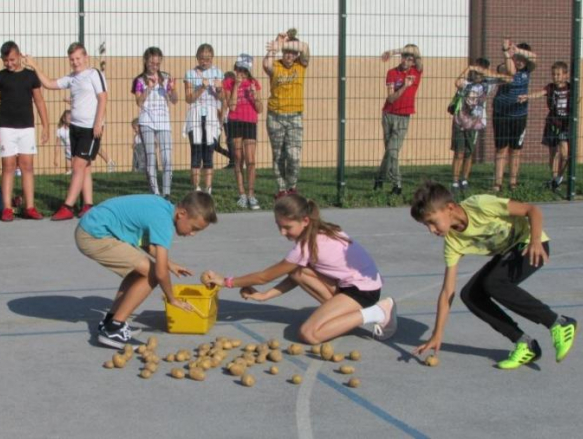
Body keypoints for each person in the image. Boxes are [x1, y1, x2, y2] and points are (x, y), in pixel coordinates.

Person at [410, 181, 577, 369]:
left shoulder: (480, 205)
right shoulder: (452, 242)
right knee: (470, 295)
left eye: (432, 222)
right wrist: (437, 334)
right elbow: (448, 291)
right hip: (508, 254)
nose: (431, 230)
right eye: (426, 225)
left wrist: (536, 240)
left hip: (530, 244)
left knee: (494, 283)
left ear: (449, 208)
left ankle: (559, 323)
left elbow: (532, 210)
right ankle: (524, 343)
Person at [201, 194, 398, 344]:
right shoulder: (320, 230)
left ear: (305, 221)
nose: (282, 232)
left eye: (287, 227)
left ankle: (377, 312)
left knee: (309, 334)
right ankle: (344, 317)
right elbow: (295, 275)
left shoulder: (304, 247)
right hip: (356, 285)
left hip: (363, 291)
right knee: (297, 271)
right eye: (279, 226)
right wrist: (265, 296)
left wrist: (226, 281)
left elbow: (264, 276)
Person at [76, 191, 217, 348]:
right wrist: (172, 299)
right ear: (182, 214)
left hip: (92, 227)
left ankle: (111, 321)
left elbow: (144, 242)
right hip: (94, 235)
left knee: (139, 272)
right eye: (194, 228)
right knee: (152, 274)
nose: (192, 234)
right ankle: (114, 329)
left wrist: (169, 263)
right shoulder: (163, 221)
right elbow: (160, 272)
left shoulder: (163, 208)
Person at [24, 42, 107, 221]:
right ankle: (88, 205)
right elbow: (49, 84)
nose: (75, 62)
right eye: (72, 59)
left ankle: (68, 206)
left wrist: (98, 122)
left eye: (78, 58)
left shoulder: (94, 74)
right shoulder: (71, 78)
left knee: (77, 165)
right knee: (84, 167)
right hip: (75, 127)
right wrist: (34, 65)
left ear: (86, 58)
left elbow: (102, 97)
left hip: (90, 128)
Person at [0, 41, 49, 222]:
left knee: (27, 166)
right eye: (5, 60)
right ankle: (7, 208)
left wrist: (45, 125)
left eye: (12, 59)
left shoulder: (30, 76)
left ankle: (29, 207)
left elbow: (39, 101)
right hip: (6, 127)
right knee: (8, 166)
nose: (9, 63)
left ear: (20, 56)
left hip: (26, 127)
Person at [449, 58, 511, 193]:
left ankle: (464, 179)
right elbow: (457, 82)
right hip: (460, 122)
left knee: (469, 153)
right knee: (459, 153)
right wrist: (469, 68)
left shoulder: (487, 85)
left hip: (474, 124)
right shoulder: (466, 83)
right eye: (475, 72)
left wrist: (486, 72)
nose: (477, 75)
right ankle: (454, 181)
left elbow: (508, 78)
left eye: (480, 72)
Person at [263, 29, 310, 199]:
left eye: (292, 53)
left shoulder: (301, 64)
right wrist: (275, 45)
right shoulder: (276, 65)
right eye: (286, 53)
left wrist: (283, 43)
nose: (289, 56)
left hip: (294, 116)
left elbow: (305, 47)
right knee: (278, 155)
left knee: (294, 155)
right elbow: (266, 64)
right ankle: (282, 190)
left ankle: (292, 186)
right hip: (275, 115)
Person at [374, 44, 423, 195]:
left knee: (393, 151)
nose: (405, 60)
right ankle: (380, 180)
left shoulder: (416, 71)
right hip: (389, 114)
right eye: (403, 57)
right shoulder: (392, 73)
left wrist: (393, 51)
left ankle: (397, 185)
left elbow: (418, 55)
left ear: (414, 61)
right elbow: (391, 98)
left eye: (409, 58)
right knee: (390, 150)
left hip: (404, 116)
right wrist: (404, 87)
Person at [132, 47, 178, 199]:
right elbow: (139, 102)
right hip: (147, 121)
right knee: (151, 156)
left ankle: (166, 192)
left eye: (157, 63)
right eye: (152, 63)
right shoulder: (139, 80)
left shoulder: (165, 77)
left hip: (163, 121)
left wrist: (171, 90)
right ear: (146, 61)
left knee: (167, 158)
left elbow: (175, 100)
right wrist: (149, 89)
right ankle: (155, 193)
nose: (155, 66)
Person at [492, 40, 537, 192]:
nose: (520, 62)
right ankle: (498, 183)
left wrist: (517, 49)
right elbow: (510, 71)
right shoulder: (504, 65)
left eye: (523, 59)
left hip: (519, 115)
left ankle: (513, 182)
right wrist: (507, 53)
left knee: (516, 149)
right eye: (518, 58)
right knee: (501, 149)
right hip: (501, 114)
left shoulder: (527, 71)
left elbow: (534, 57)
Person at [518, 61, 570, 190]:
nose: (556, 77)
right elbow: (539, 93)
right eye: (554, 74)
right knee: (553, 153)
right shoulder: (550, 87)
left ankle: (559, 178)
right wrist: (527, 96)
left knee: (565, 155)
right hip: (552, 123)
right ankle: (553, 179)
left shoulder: (571, 87)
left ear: (565, 75)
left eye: (558, 74)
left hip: (565, 125)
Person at [183, 43, 223, 194]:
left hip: (211, 115)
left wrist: (219, 89)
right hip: (196, 114)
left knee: (209, 151)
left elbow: (222, 97)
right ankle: (196, 187)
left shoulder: (218, 73)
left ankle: (208, 187)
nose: (204, 62)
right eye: (201, 58)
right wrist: (202, 88)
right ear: (197, 58)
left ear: (212, 58)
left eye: (207, 59)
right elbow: (188, 98)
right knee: (196, 150)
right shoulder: (190, 74)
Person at [224, 54, 263, 210]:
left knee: (250, 159)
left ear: (248, 72)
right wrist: (236, 86)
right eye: (239, 69)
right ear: (235, 69)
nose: (241, 73)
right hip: (235, 121)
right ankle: (242, 194)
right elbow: (232, 107)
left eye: (244, 71)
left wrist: (254, 96)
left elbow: (260, 109)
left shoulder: (254, 83)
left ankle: (251, 194)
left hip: (250, 122)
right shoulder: (229, 82)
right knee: (238, 157)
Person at [217, 70, 236, 169]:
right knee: (216, 144)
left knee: (229, 139)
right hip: (223, 118)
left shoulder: (230, 89)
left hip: (227, 118)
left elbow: (225, 105)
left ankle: (233, 161)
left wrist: (220, 122)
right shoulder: (223, 88)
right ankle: (234, 159)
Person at [56, 110, 73, 175]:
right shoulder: (60, 130)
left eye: (72, 119)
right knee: (68, 171)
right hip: (68, 152)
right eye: (69, 119)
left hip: (75, 152)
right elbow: (57, 144)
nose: (71, 120)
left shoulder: (73, 129)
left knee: (76, 168)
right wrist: (55, 157)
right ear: (64, 119)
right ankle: (68, 173)